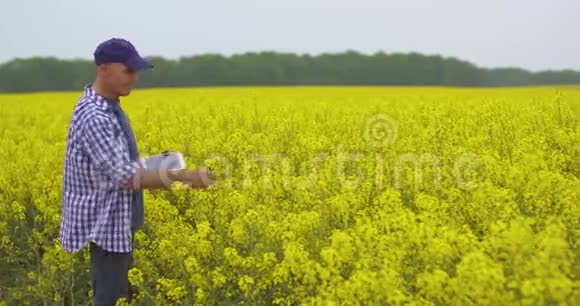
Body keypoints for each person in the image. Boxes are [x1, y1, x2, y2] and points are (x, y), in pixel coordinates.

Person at [59, 38, 214, 306]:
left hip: (115, 219)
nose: (135, 77)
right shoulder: (96, 116)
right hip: (104, 224)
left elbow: (121, 165)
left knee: (119, 295)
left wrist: (162, 165)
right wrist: (185, 177)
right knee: (110, 298)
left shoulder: (109, 107)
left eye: (136, 70)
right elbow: (126, 177)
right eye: (128, 70)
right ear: (104, 68)